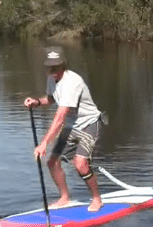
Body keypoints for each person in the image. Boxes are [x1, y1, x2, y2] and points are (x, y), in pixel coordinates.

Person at [24, 46, 104, 212]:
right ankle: (64, 198)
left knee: (80, 164)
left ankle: (97, 198)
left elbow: (60, 117)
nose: (53, 71)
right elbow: (52, 99)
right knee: (52, 161)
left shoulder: (72, 82)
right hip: (71, 126)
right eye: (50, 67)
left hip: (89, 123)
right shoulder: (52, 80)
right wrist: (37, 102)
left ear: (63, 65)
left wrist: (44, 143)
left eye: (56, 67)